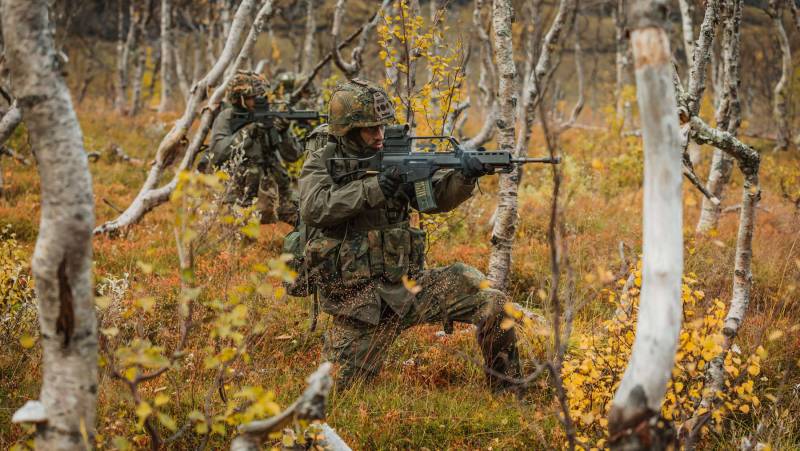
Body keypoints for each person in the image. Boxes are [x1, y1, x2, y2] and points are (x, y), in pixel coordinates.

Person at [298, 78, 520, 391]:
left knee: (493, 303)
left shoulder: (394, 152)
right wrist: (375, 187)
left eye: (382, 127)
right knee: (340, 396)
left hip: (409, 289)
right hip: (359, 305)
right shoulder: (324, 158)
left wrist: (465, 176)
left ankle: (509, 392)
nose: (379, 135)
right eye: (370, 129)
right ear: (347, 129)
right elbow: (313, 206)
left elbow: (435, 199)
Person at [205, 70, 302, 224]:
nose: (259, 100)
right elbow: (218, 153)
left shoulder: (271, 115)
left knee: (306, 217)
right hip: (240, 191)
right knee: (237, 236)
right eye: (253, 97)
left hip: (274, 187)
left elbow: (293, 156)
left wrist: (283, 132)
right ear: (239, 99)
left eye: (262, 96)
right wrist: (249, 131)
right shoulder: (227, 117)